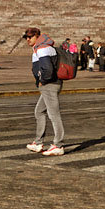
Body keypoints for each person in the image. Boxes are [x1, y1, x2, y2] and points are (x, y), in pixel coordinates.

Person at [23, 26, 65, 156]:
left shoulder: (42, 48)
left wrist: (42, 80)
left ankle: (58, 144)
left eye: (30, 37)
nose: (28, 40)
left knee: (54, 114)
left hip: (49, 84)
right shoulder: (41, 47)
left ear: (37, 36)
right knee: (39, 111)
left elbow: (47, 69)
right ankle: (38, 142)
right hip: (49, 84)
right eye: (26, 37)